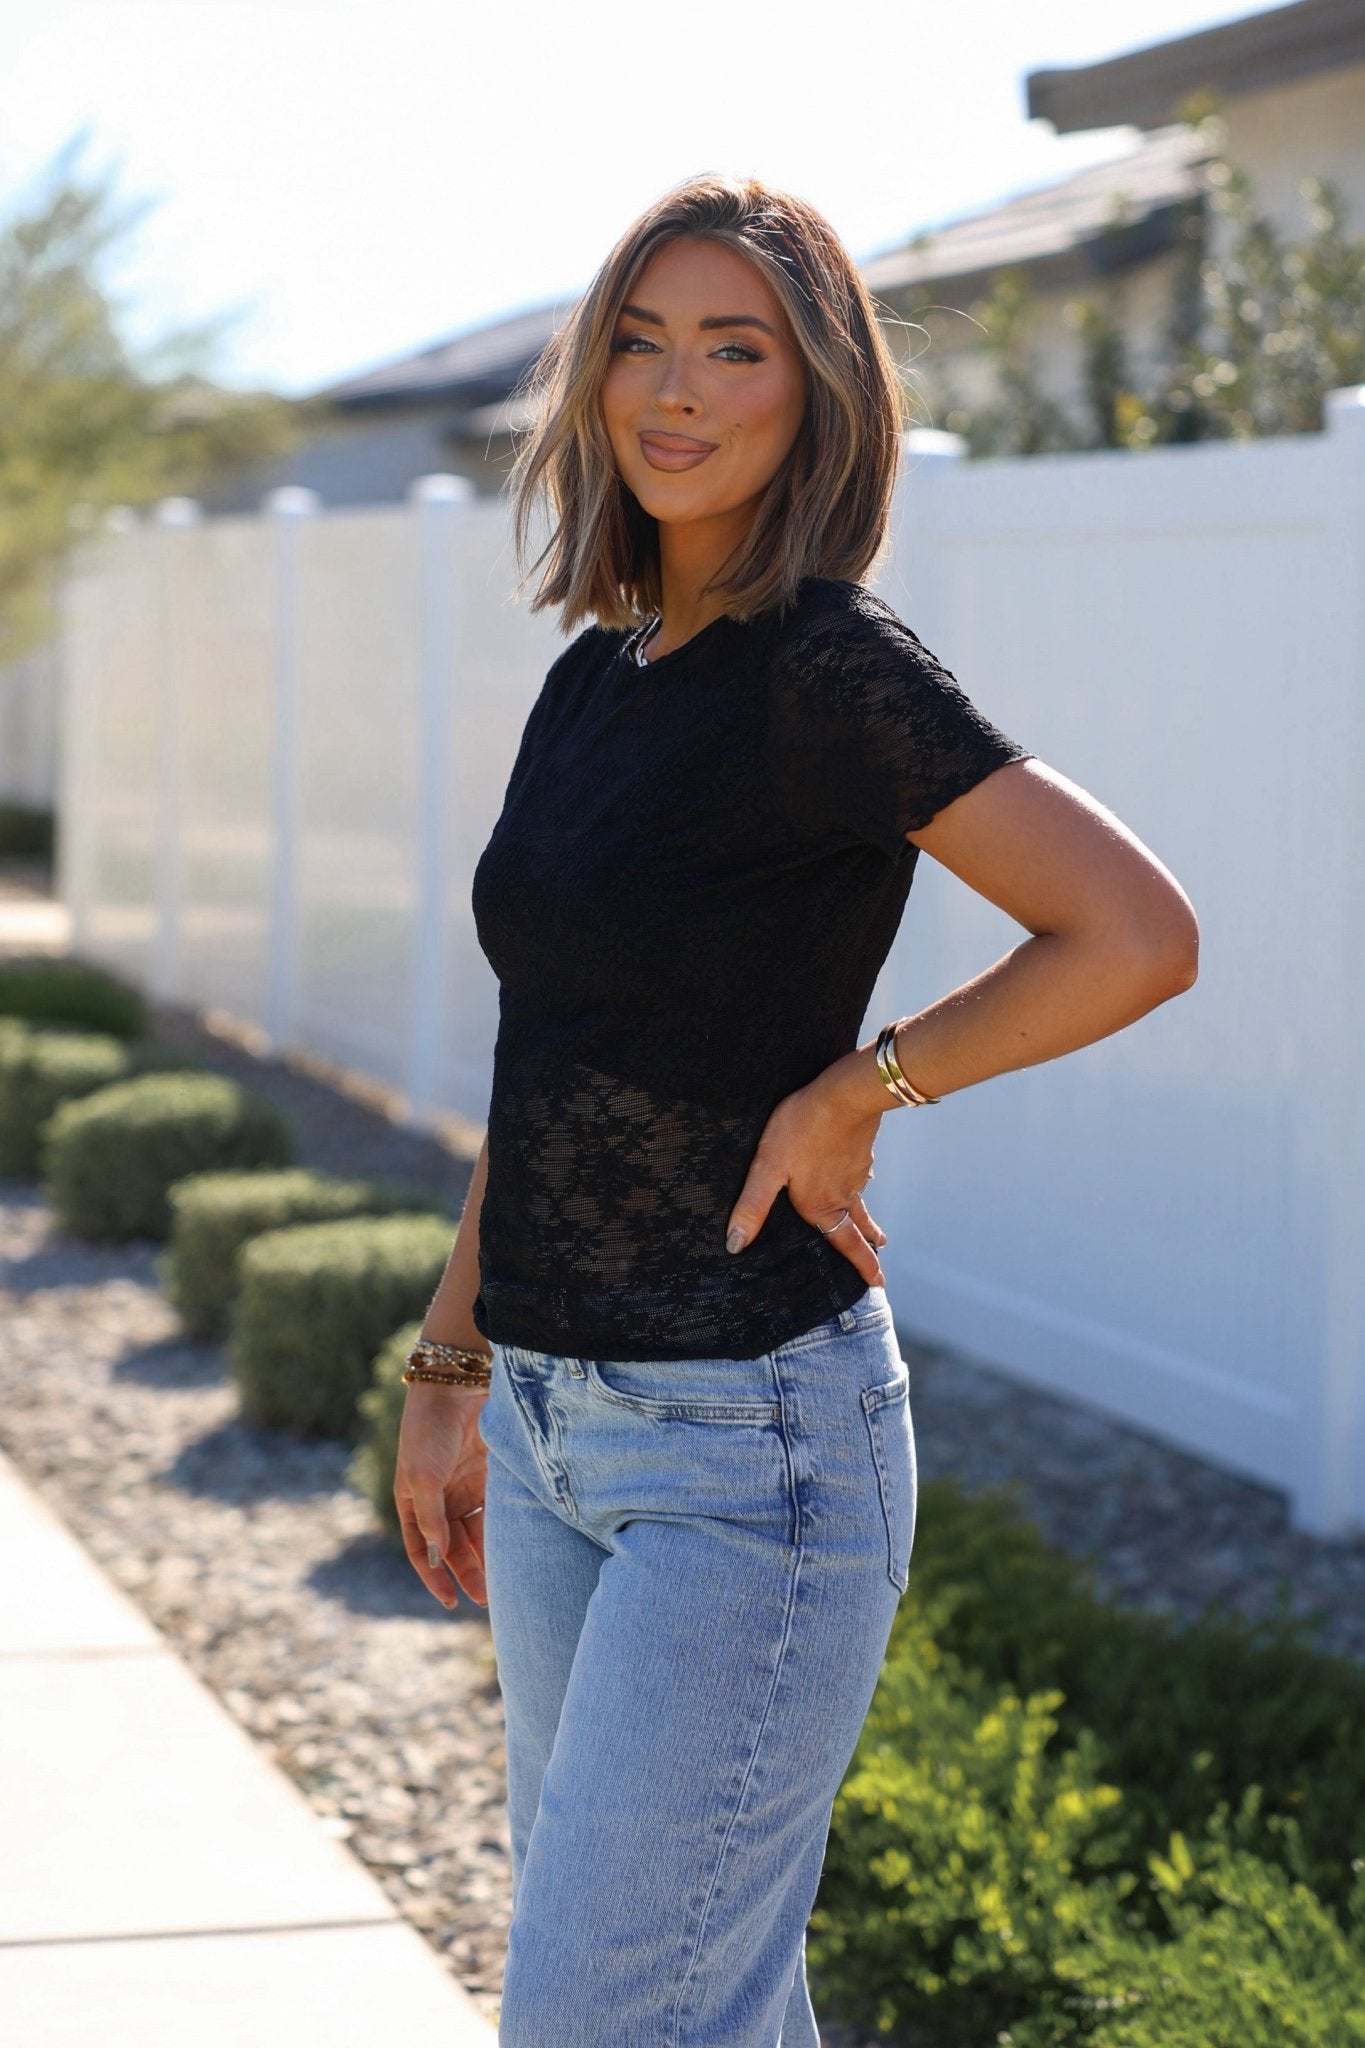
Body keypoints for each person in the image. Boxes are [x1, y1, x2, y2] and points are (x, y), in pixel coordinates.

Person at [393, 173, 1199, 2047]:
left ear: (816, 395)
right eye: (642, 347)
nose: (676, 393)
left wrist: (866, 1084)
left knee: (606, 2018)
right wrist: (450, 1362)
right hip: (548, 1432)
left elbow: (1134, 933)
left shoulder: (829, 669)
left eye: (732, 351)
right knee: (695, 2009)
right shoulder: (596, 680)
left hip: (749, 1450)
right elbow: (557, 1051)